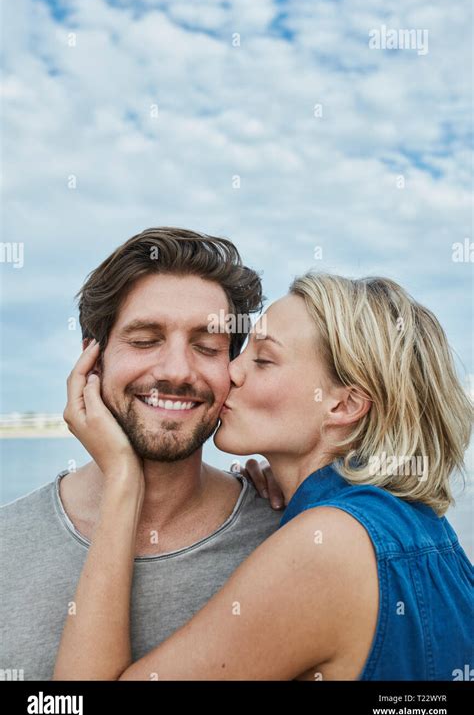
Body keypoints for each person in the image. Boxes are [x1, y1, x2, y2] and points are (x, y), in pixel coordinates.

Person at [53, 271, 473, 681]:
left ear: (344, 406)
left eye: (264, 359)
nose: (232, 372)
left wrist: (123, 479)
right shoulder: (411, 525)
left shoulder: (324, 549)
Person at [0, 228, 283, 682]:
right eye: (145, 339)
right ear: (92, 361)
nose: (176, 371)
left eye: (207, 347)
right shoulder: (6, 544)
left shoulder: (287, 529)